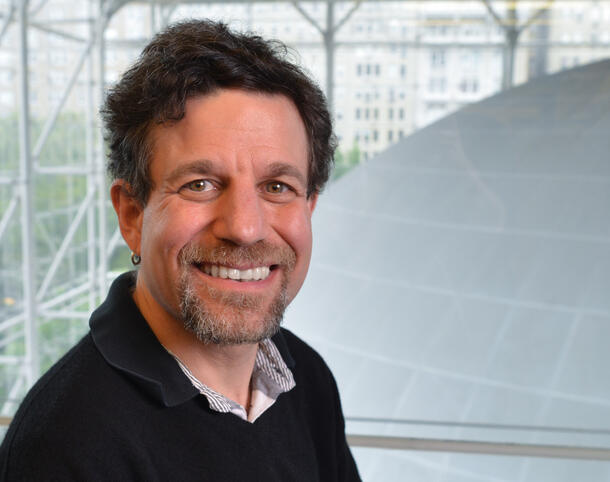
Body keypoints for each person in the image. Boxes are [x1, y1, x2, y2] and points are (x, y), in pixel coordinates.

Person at [0, 20, 360, 481]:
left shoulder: (306, 380)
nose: (245, 228)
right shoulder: (67, 447)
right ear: (132, 215)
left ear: (308, 207)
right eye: (200, 184)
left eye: (277, 186)